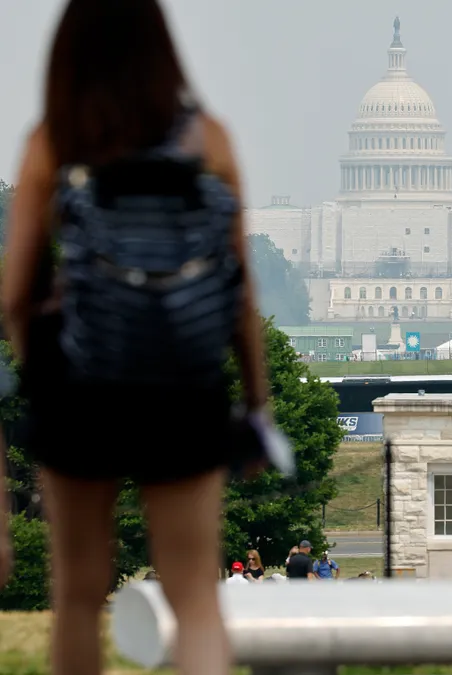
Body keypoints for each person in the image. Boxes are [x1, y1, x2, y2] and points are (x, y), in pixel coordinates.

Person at [0, 2, 270, 674]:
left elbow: (15, 295)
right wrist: (255, 405)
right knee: (195, 594)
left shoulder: (53, 140)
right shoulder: (209, 141)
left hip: (81, 389)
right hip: (183, 385)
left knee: (78, 591)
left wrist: (42, 375)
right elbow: (240, 294)